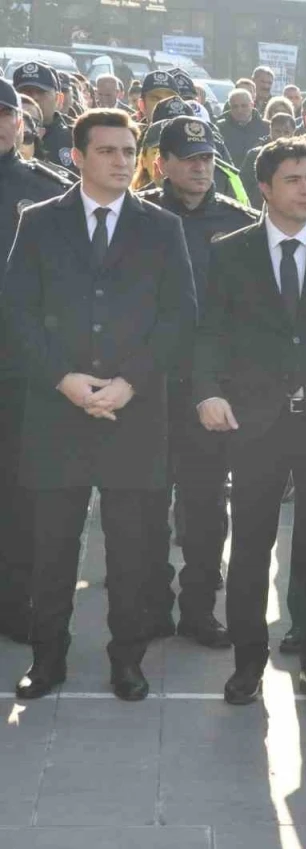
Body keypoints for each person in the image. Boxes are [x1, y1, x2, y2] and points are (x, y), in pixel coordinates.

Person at [5, 108, 196, 701]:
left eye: (127, 151)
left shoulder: (161, 227)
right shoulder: (40, 221)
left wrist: (130, 382)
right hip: (55, 411)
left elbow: (179, 316)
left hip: (132, 413)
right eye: (107, 150)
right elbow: (17, 313)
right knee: (52, 549)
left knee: (133, 549)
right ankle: (48, 658)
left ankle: (127, 659)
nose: (120, 161)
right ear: (78, 156)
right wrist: (62, 378)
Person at [193, 137, 306, 709]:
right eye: (293, 179)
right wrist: (208, 393)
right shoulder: (231, 251)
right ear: (265, 188)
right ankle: (247, 662)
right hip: (255, 423)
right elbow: (210, 332)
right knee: (249, 545)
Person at [134, 117, 257, 647]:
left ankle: (200, 608)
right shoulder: (137, 216)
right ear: (162, 164)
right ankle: (152, 604)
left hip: (209, 387)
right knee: (145, 504)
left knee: (206, 505)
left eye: (207, 158)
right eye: (189, 159)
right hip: (148, 384)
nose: (201, 168)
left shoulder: (239, 222)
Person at [0, 79, 77, 644]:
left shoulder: (47, 190)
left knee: (17, 494)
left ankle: (13, 602)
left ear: (22, 123)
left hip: (19, 367)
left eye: (5, 114)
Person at [13, 63, 75, 173]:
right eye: (25, 91)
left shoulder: (75, 138)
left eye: (42, 92)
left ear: (59, 99)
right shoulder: (5, 136)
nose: (34, 97)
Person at [215, 89, 268, 167]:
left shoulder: (266, 127)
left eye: (244, 106)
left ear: (252, 105)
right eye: (235, 106)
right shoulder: (220, 128)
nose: (239, 110)